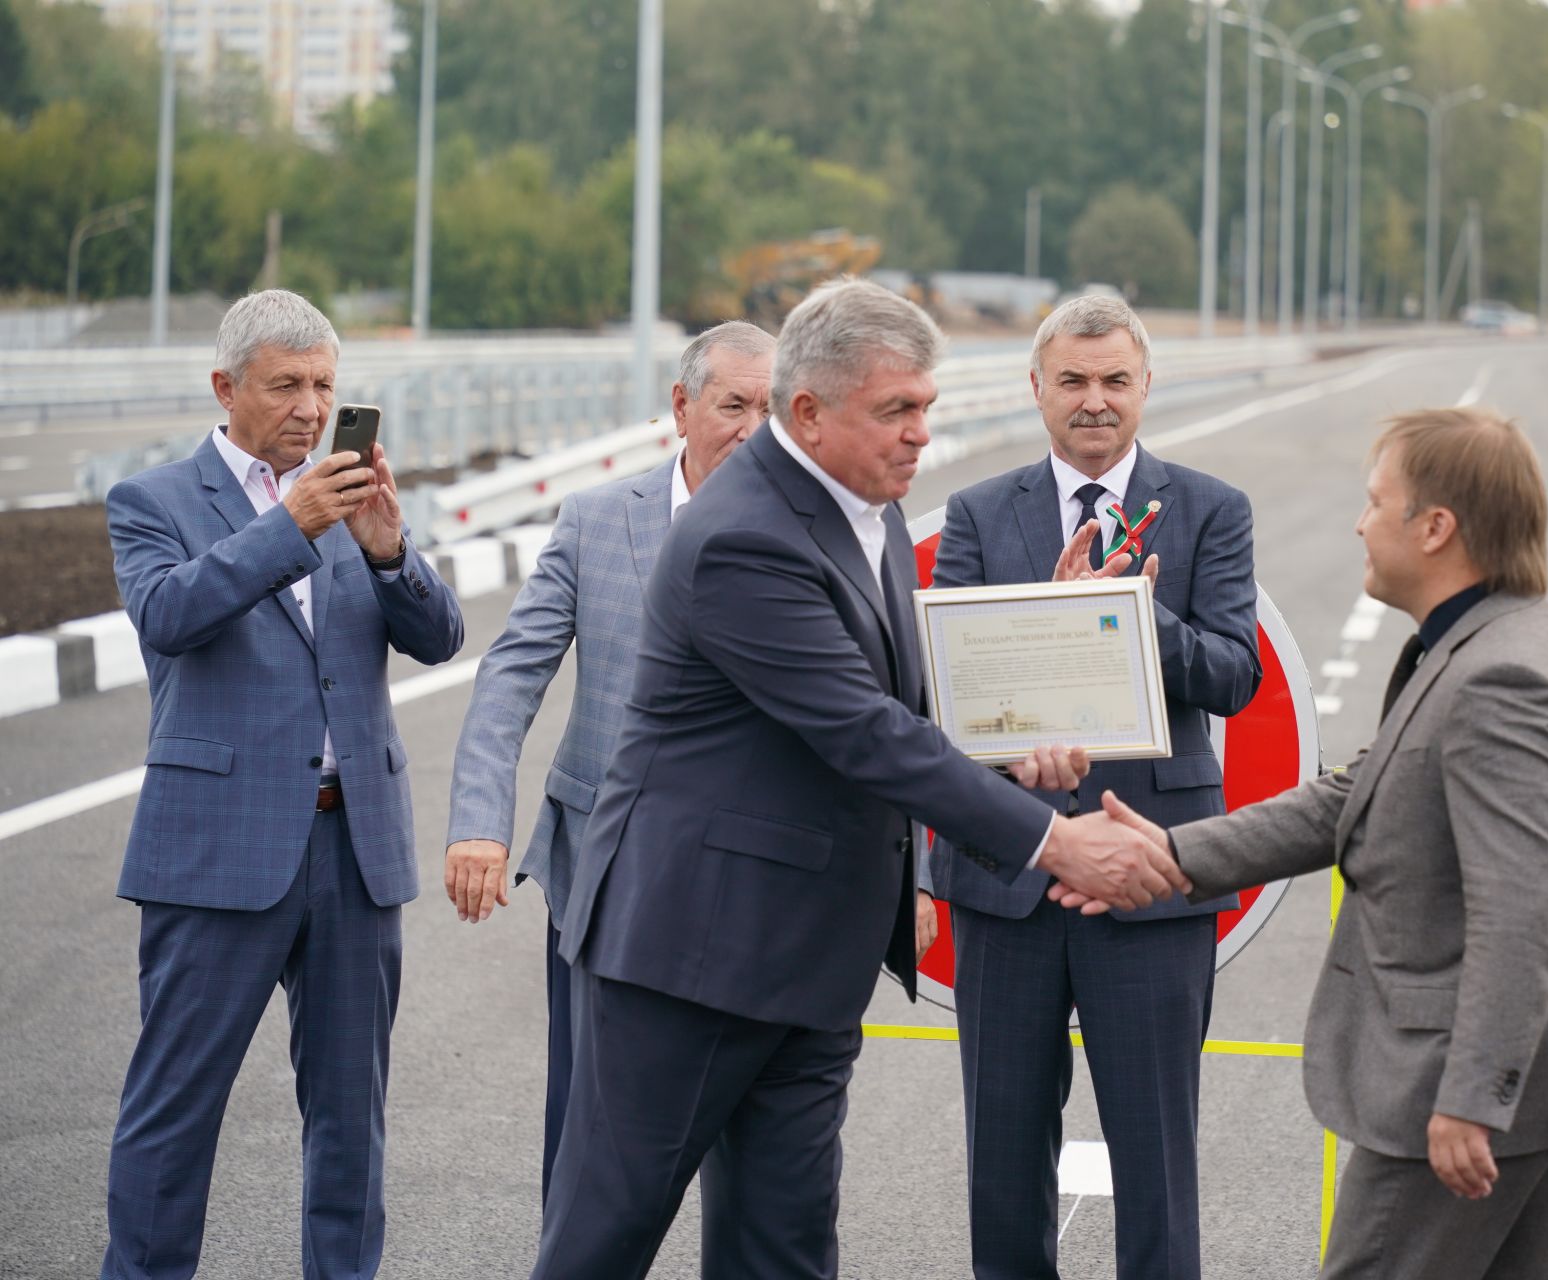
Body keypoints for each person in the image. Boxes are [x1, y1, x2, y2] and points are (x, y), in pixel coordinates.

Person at [530, 279, 1188, 1279]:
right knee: (601, 1241)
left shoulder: (865, 508)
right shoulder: (742, 537)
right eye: (897, 411)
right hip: (691, 960)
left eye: (925, 406)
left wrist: (1026, 721)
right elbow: (864, 730)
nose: (922, 433)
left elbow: (910, 696)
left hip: (807, 959)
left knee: (785, 1250)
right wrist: (1053, 837)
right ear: (808, 413)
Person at [1060, 406, 1548, 1280]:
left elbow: (1522, 915)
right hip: (1529, 1086)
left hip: (1464, 1090)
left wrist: (1472, 1100)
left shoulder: (1500, 679)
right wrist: (1174, 857)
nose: (1360, 524)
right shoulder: (1488, 646)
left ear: (1436, 528)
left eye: (1377, 502)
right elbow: (1350, 798)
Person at [98, 289, 465, 1279]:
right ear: (226, 388)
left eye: (325, 385)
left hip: (354, 846)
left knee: (352, 1119)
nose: (310, 407)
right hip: (217, 846)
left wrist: (389, 547)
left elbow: (440, 639)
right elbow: (171, 614)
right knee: (174, 1112)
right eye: (286, 384)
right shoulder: (155, 501)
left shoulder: (351, 495)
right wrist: (292, 525)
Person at [925, 295, 1260, 1278]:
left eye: (1115, 379)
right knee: (1001, 1163)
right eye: (1072, 380)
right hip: (1009, 875)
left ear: (1146, 386)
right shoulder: (980, 513)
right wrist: (1013, 757)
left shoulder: (1212, 509)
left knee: (1156, 1162)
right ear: (1037, 389)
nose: (1095, 400)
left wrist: (1126, 613)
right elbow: (958, 689)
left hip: (1151, 874)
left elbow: (1234, 674)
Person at [443, 320, 774, 1200]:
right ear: (681, 406)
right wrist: (481, 820)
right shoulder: (595, 523)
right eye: (733, 404)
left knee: (753, 1146)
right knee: (588, 1122)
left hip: (754, 879)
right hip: (605, 867)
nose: (752, 427)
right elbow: (512, 673)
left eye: (773, 409)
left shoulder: (822, 531)